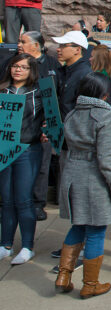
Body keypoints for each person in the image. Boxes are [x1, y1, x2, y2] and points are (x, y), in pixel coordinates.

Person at [55, 73, 111, 299]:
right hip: (93, 178)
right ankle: (90, 283)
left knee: (78, 225)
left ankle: (64, 275)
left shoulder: (73, 113)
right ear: (104, 93)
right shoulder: (104, 115)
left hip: (72, 172)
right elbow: (105, 159)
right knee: (96, 230)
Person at [0, 54, 44, 265]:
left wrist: (46, 131)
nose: (17, 70)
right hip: (5, 148)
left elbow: (51, 119)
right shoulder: (2, 91)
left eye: (23, 67)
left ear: (31, 70)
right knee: (6, 199)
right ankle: (5, 244)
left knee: (24, 198)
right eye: (15, 66)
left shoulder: (39, 92)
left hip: (28, 150)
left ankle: (27, 246)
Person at [16, 31, 60, 221]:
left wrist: (50, 123)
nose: (18, 44)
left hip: (43, 124)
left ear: (36, 45)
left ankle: (37, 204)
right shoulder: (15, 63)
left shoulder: (52, 65)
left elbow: (57, 94)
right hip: (18, 125)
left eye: (22, 41)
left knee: (42, 166)